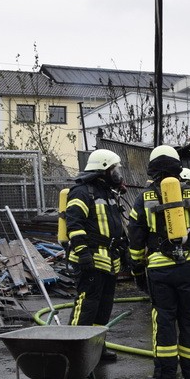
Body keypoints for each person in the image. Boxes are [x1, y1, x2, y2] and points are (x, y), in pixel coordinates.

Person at [127, 145, 190, 379]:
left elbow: (135, 239)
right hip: (188, 266)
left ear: (152, 169)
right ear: (178, 167)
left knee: (164, 320)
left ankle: (165, 376)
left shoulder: (142, 199)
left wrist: (137, 270)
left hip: (159, 269)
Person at [65, 149, 128, 362]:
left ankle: (96, 349)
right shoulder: (82, 192)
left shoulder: (108, 193)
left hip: (109, 261)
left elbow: (116, 224)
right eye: (114, 169)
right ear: (103, 169)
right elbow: (74, 225)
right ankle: (73, 352)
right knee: (87, 306)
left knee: (103, 308)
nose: (118, 172)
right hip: (91, 259)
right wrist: (83, 254)